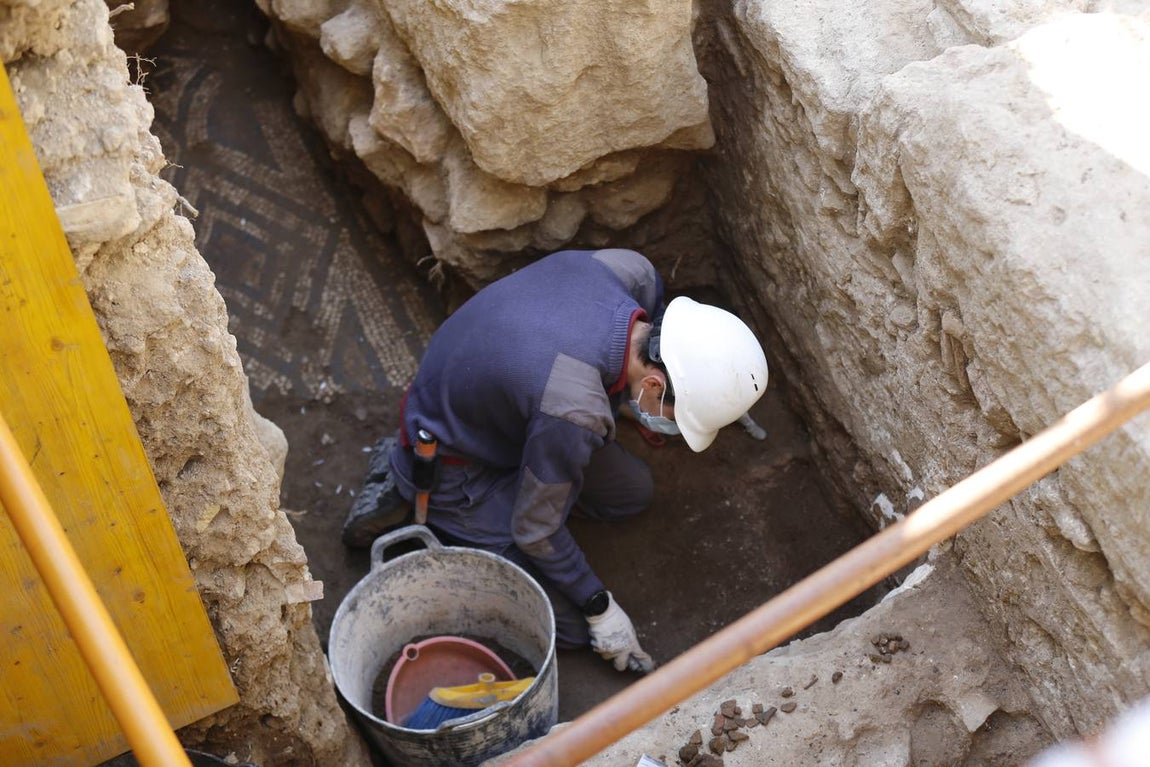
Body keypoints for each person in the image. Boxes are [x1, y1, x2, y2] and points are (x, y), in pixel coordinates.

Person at [342, 248, 768, 673]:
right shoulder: (575, 412)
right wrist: (599, 607)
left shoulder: (634, 273)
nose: (672, 425)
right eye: (678, 414)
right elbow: (535, 530)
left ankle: (533, 476)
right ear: (654, 383)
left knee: (631, 493)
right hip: (455, 456)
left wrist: (715, 390)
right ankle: (411, 484)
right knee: (565, 625)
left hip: (489, 391)